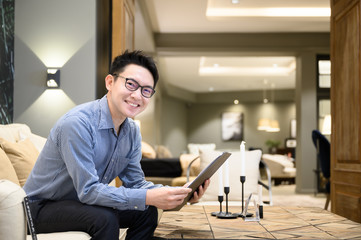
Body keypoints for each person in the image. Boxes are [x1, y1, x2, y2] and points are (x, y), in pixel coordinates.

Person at [24, 50, 210, 240]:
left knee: (146, 212)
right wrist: (148, 197)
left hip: (81, 203)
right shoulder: (77, 124)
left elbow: (136, 183)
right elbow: (88, 191)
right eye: (131, 84)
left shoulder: (131, 132)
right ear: (110, 83)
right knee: (105, 218)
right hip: (40, 207)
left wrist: (176, 193)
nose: (137, 95)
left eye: (146, 90)